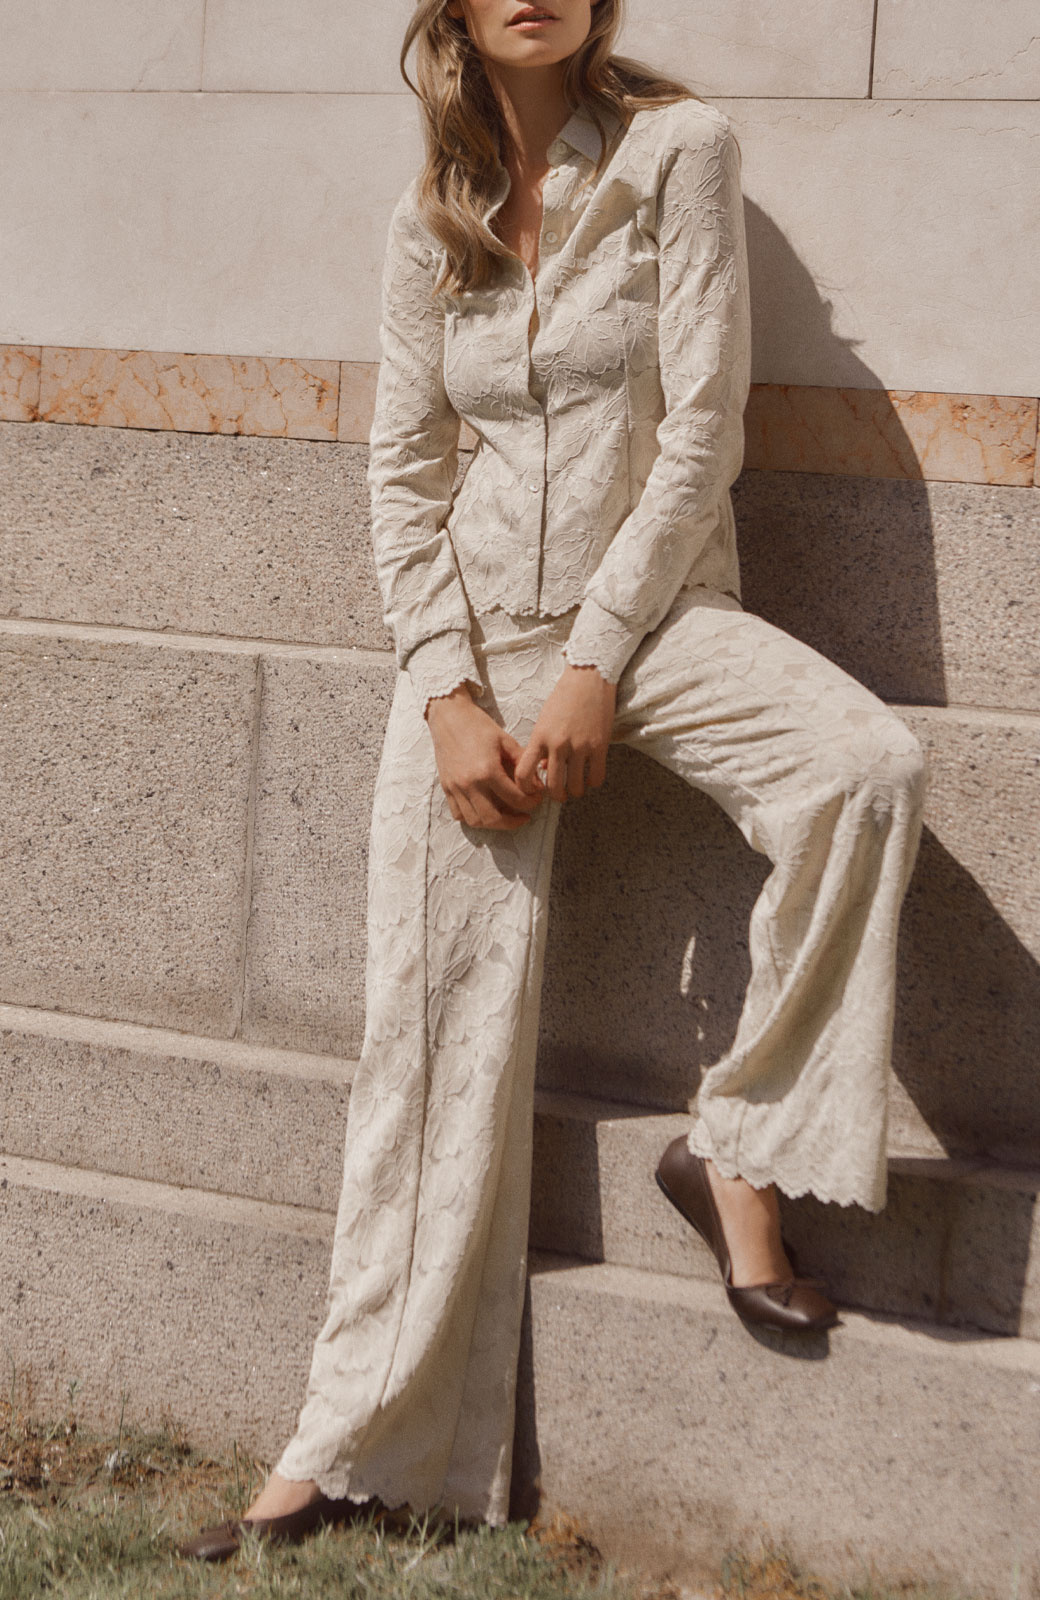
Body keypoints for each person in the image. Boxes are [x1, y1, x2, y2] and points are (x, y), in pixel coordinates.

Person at [178, 0, 926, 1563]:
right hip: (474, 650)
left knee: (863, 767)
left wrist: (593, 660)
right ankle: (345, 1454)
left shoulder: (679, 152)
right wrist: (448, 695)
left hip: (652, 621)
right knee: (422, 1046)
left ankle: (739, 1149)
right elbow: (403, 477)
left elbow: (702, 430)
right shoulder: (428, 220)